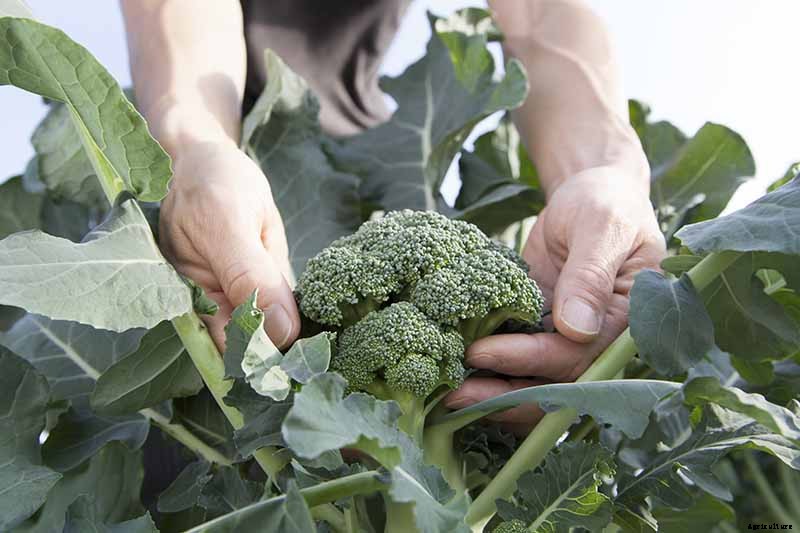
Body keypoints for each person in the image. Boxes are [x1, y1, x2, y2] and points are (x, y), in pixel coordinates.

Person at [121, 0, 665, 433]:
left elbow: (541, 12)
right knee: (213, 432)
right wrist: (193, 147)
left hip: (369, 154)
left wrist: (604, 172)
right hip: (219, 181)